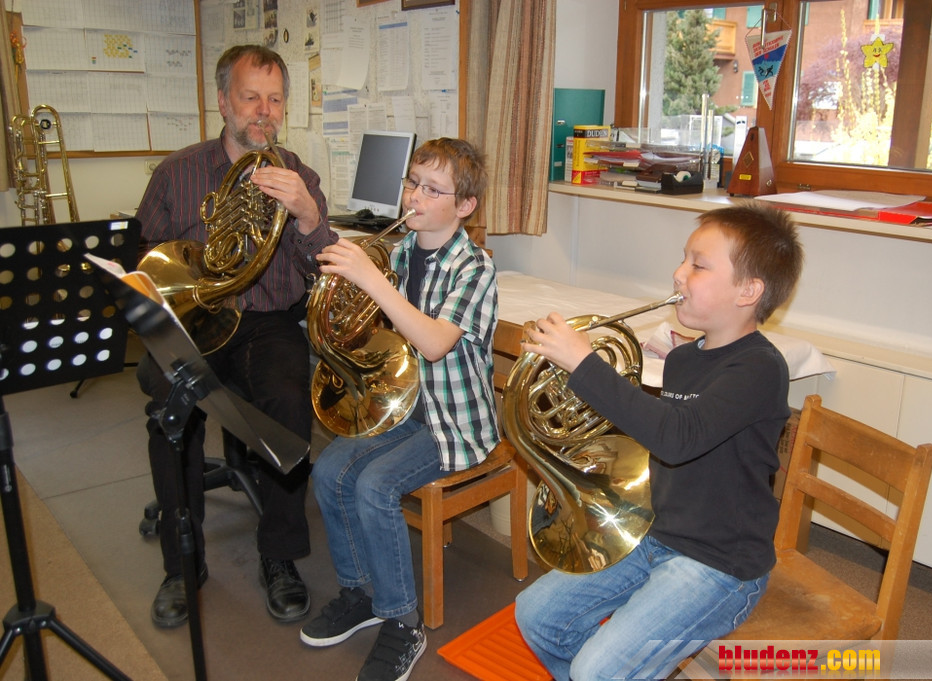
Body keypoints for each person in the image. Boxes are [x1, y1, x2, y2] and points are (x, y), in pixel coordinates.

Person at [514, 203, 804, 681]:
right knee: (536, 616)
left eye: (699, 265)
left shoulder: (760, 368)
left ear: (748, 291)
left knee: (596, 671)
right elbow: (655, 430)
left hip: (720, 564)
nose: (678, 273)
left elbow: (676, 438)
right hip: (655, 533)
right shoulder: (684, 358)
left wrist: (585, 365)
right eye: (683, 258)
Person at [136, 44, 336, 628]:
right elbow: (147, 264)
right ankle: (183, 564)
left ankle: (279, 555)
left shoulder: (299, 175)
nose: (263, 111)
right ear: (223, 101)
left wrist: (307, 215)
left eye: (274, 99)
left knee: (288, 401)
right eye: (251, 97)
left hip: (268, 321)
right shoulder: (177, 172)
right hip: (195, 319)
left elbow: (323, 268)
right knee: (169, 411)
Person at [299, 138, 498, 681]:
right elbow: (380, 332)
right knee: (329, 471)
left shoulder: (475, 269)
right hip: (404, 405)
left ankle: (403, 621)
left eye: (433, 190)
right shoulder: (402, 252)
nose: (414, 197)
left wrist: (370, 280)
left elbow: (433, 343)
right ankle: (360, 593)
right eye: (413, 183)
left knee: (374, 486)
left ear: (465, 206)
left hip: (454, 423)